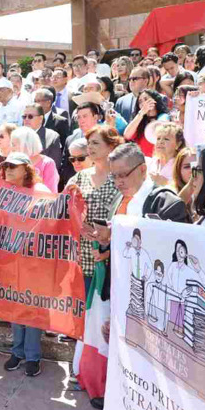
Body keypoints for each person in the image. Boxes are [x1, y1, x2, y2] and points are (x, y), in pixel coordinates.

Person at [0, 152, 50, 377]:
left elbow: (53, 224)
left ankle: (32, 356)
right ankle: (17, 352)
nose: (8, 169)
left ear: (26, 169)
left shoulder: (42, 192)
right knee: (15, 309)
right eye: (6, 165)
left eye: (14, 166)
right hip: (12, 260)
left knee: (33, 309)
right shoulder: (4, 191)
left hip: (36, 262)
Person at [67, 125, 122, 294]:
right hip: (81, 256)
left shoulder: (122, 177)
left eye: (96, 143)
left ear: (111, 146)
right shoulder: (79, 177)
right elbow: (65, 208)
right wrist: (80, 226)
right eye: (89, 143)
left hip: (111, 258)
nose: (90, 147)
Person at [21, 102, 63, 180]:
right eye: (24, 116)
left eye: (30, 116)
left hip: (41, 182)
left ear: (40, 119)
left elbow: (54, 167)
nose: (26, 119)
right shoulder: (18, 135)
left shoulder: (52, 137)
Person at [123, 89, 170, 157]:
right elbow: (127, 135)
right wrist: (141, 113)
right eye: (140, 101)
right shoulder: (139, 121)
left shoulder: (165, 117)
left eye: (146, 99)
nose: (143, 103)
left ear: (155, 101)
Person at [10, 127, 59, 193]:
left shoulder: (47, 163)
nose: (11, 148)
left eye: (13, 145)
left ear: (26, 145)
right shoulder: (11, 161)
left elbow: (51, 193)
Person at [171, 147, 196, 212]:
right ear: (178, 170)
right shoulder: (170, 194)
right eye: (187, 167)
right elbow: (172, 212)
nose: (192, 170)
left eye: (196, 166)